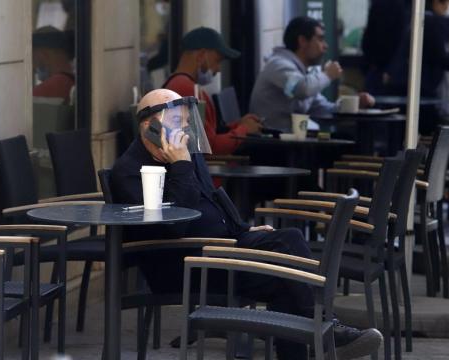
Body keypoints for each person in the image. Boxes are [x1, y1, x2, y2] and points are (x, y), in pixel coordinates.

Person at [111, 88, 383, 360]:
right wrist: (181, 166)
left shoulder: (182, 153)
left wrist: (242, 228)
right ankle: (326, 330)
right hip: (186, 265)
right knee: (286, 268)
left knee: (288, 250)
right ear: (149, 126)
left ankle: (322, 330)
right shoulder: (129, 171)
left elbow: (213, 199)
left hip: (222, 250)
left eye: (185, 122)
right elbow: (171, 228)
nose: (184, 130)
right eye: (175, 122)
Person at [249, 16, 375, 131]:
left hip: (292, 142)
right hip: (271, 145)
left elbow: (323, 109)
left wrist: (353, 105)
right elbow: (300, 89)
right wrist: (327, 75)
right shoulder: (279, 66)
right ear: (303, 41)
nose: (325, 46)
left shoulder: (300, 72)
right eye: (320, 39)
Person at [386, 0, 449, 134]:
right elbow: (444, 57)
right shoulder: (430, 22)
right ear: (437, 2)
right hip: (417, 91)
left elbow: (447, 53)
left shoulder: (427, 19)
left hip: (417, 90)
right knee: (433, 129)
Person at [164, 27, 263, 155]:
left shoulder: (180, 84)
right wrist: (244, 130)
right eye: (217, 61)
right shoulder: (187, 90)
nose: (218, 69)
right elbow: (211, 147)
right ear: (200, 56)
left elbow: (209, 136)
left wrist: (238, 125)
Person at [32, 26, 75, 102]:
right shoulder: (74, 83)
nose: (35, 69)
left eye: (33, 59)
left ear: (42, 54)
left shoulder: (51, 87)